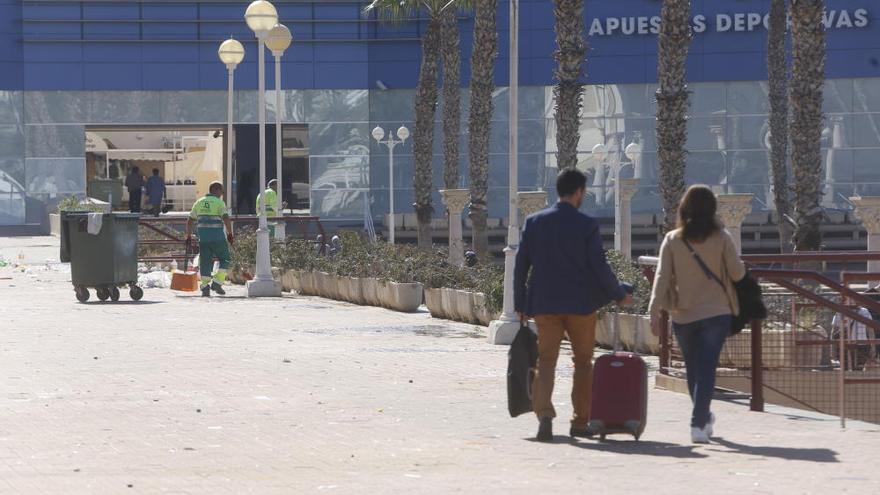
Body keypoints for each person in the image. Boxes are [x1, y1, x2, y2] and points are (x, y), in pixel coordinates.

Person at [514, 168, 633, 442]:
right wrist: (618, 294)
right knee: (583, 363)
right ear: (579, 192)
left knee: (546, 362)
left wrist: (520, 303)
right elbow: (599, 267)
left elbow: (521, 266)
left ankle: (544, 414)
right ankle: (580, 422)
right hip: (580, 306)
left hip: (545, 304)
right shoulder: (586, 225)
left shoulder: (534, 222)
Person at [648, 185, 747, 444]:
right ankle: (699, 421)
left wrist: (655, 310)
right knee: (705, 368)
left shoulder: (672, 240)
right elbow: (737, 274)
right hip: (717, 312)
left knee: (693, 369)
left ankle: (700, 418)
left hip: (683, 314)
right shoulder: (723, 238)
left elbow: (661, 277)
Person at [186, 181, 234, 298]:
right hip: (218, 238)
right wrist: (230, 234)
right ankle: (217, 283)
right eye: (221, 191)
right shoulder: (219, 203)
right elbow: (226, 218)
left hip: (204, 239)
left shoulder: (199, 202)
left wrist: (188, 236)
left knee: (205, 263)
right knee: (226, 259)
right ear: (216, 190)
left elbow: (190, 220)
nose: (222, 194)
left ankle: (205, 287)